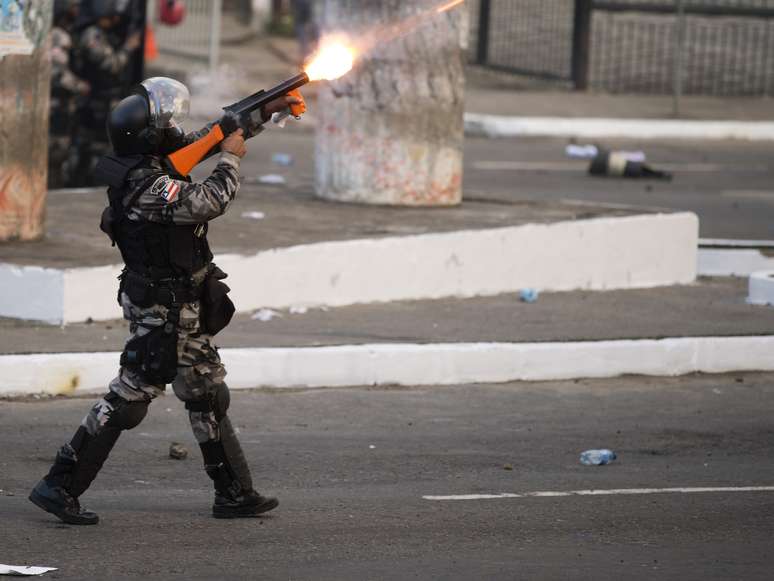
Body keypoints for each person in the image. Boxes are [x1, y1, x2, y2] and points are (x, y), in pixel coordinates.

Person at [29, 77, 303, 525]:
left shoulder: (152, 161)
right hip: (163, 308)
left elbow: (213, 135)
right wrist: (232, 158)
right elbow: (208, 199)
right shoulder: (146, 184)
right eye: (166, 122)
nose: (175, 127)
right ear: (148, 133)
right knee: (132, 395)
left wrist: (266, 111)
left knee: (206, 392)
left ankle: (234, 492)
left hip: (182, 304)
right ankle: (59, 484)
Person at [71, 0, 141, 186]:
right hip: (92, 101)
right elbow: (112, 64)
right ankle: (85, 180)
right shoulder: (91, 35)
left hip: (100, 100)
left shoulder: (102, 33)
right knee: (90, 146)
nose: (115, 20)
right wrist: (129, 47)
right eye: (110, 16)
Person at [49, 0, 90, 188]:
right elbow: (58, 74)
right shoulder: (60, 36)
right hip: (57, 106)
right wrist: (81, 86)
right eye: (73, 7)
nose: (77, 10)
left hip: (58, 106)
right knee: (56, 153)